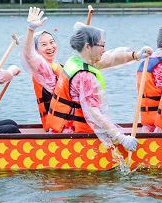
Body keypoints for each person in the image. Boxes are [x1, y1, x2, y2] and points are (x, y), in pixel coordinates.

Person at [45, 23, 152, 152]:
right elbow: (94, 114)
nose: (104, 49)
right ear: (87, 47)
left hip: (61, 130)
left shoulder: (75, 60)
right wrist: (121, 138)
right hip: (74, 136)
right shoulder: (85, 76)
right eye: (102, 45)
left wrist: (135, 55)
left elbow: (110, 58)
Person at [22, 7, 64, 131]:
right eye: (44, 45)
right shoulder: (41, 68)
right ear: (37, 50)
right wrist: (31, 29)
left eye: (52, 42)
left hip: (67, 122)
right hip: (56, 128)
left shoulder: (59, 66)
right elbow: (28, 54)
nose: (50, 47)